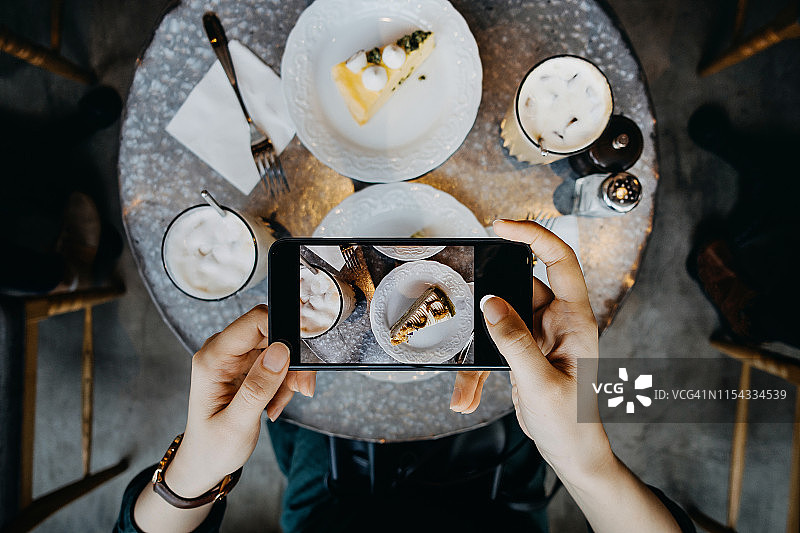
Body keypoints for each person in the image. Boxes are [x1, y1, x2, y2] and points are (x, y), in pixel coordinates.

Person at [114, 220, 695, 532]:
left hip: (327, 505)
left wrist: (194, 474)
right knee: (503, 386)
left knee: (305, 402)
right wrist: (583, 463)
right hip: (495, 505)